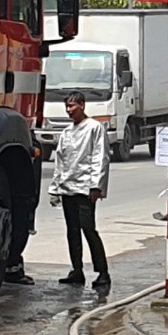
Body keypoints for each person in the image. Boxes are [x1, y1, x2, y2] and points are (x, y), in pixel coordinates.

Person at [50, 90, 111, 295]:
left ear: (82, 105)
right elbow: (61, 161)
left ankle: (102, 272)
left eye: (72, 106)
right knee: (72, 231)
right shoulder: (67, 132)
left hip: (85, 188)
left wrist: (96, 186)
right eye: (67, 106)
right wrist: (55, 188)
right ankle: (77, 270)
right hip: (68, 188)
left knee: (88, 229)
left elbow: (100, 157)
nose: (69, 110)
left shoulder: (94, 128)